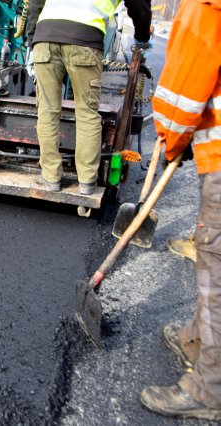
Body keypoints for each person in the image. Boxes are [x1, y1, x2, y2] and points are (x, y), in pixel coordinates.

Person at [139, 0, 221, 420]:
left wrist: (171, 140)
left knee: (217, 271)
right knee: (212, 258)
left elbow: (184, 90)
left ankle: (209, 388)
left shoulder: (206, 6)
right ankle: (196, 339)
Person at [25, 0, 152, 194]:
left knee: (47, 111)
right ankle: (86, 182)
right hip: (84, 39)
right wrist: (142, 36)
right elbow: (139, 5)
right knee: (86, 112)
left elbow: (35, 2)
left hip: (45, 37)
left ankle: (51, 179)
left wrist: (32, 37)